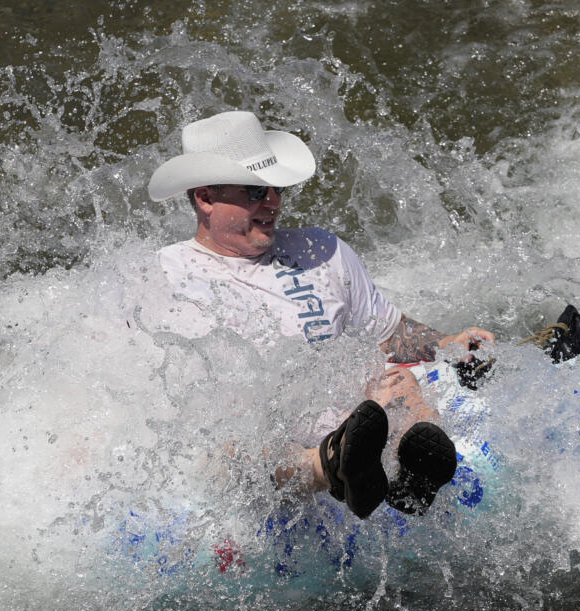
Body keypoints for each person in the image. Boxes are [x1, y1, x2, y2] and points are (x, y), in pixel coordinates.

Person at [142, 111, 493, 519]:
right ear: (205, 198)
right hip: (261, 440)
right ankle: (331, 466)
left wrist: (447, 345)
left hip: (356, 419)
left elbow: (391, 333)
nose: (272, 201)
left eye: (276, 189)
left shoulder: (319, 249)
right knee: (230, 442)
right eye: (256, 191)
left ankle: (411, 479)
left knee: (400, 382)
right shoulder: (163, 278)